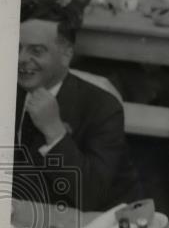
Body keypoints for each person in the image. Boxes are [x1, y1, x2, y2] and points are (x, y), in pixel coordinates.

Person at [14, 17, 142, 212]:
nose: (21, 59)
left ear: (66, 55)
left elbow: (92, 195)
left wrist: (54, 132)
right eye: (17, 48)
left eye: (36, 51)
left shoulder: (103, 107)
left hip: (91, 221)